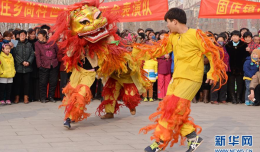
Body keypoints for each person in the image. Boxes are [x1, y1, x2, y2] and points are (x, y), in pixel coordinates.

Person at [134, 8, 227, 152]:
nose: (167, 26)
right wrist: (139, 52)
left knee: (174, 109)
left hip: (191, 79)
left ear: (174, 21)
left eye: (168, 23)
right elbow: (160, 50)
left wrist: (212, 73)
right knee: (169, 108)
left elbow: (212, 53)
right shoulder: (173, 36)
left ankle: (160, 141)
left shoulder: (196, 35)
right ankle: (192, 137)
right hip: (176, 78)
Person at [226, 30, 250, 104]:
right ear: (231, 37)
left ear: (239, 37)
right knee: (231, 84)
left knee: (240, 84)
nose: (235, 37)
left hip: (240, 68)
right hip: (230, 68)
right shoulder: (227, 45)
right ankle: (233, 98)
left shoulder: (244, 45)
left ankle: (239, 98)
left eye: (237, 36)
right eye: (233, 36)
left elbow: (246, 57)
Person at [35, 30, 59, 103]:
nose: (38, 36)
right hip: (44, 65)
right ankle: (43, 97)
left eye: (40, 35)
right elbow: (37, 55)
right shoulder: (37, 44)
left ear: (44, 35)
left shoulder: (52, 42)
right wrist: (39, 65)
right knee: (43, 82)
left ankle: (51, 97)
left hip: (53, 64)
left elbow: (57, 51)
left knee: (53, 81)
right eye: (38, 35)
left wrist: (56, 62)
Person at [13, 30, 34, 104]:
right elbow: (15, 54)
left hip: (27, 67)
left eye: (24, 35)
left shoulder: (29, 44)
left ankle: (26, 97)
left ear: (26, 36)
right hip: (18, 67)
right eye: (21, 35)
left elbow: (32, 54)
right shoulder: (15, 43)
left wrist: (29, 62)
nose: (22, 36)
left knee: (27, 83)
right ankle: (17, 97)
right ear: (18, 36)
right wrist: (22, 62)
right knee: (17, 83)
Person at [210, 34, 230, 104]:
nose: (220, 42)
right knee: (216, 83)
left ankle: (222, 98)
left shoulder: (225, 47)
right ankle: (213, 99)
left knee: (224, 84)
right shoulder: (214, 47)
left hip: (224, 68)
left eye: (222, 40)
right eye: (219, 40)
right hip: (217, 68)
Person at [157, 32, 172, 101]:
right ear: (159, 36)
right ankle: (160, 95)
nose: (163, 36)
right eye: (162, 35)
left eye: (165, 35)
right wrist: (163, 56)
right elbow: (155, 54)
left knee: (168, 81)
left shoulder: (170, 44)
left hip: (168, 64)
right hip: (161, 64)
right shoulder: (157, 44)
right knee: (161, 81)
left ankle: (167, 95)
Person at [28, 28, 40, 102]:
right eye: (31, 34)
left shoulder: (37, 42)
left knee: (37, 80)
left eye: (34, 34)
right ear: (28, 35)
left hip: (37, 62)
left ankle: (36, 96)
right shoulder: (27, 42)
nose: (33, 35)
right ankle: (30, 96)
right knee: (30, 80)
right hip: (30, 63)